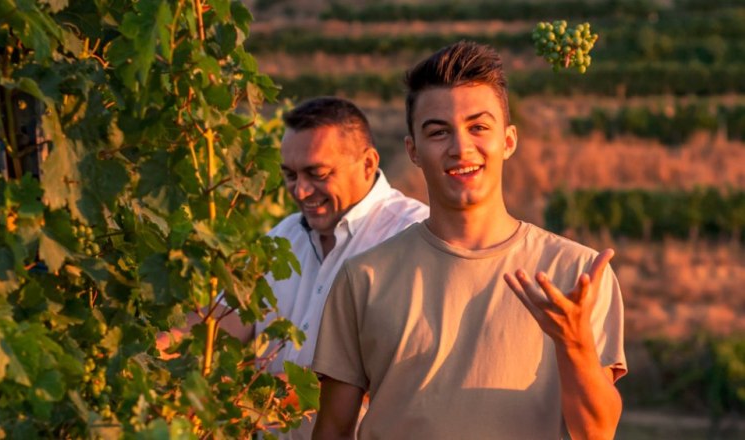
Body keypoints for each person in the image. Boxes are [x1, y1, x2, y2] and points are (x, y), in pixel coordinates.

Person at [312, 42, 627, 439]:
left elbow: (597, 431)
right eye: (438, 132)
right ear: (413, 151)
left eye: (479, 127)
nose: (461, 148)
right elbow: (333, 430)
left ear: (509, 141)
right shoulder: (364, 278)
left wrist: (574, 343)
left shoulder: (577, 275)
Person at [157, 97, 428, 438]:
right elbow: (221, 322)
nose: (300, 190)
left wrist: (238, 399)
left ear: (368, 164)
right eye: (290, 175)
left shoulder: (411, 237)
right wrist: (152, 355)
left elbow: (387, 375)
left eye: (317, 174)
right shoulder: (284, 236)